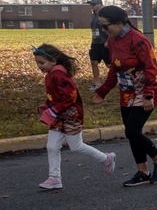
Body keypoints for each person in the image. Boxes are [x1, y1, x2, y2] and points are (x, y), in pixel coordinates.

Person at [93, 5, 157, 187]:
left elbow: (151, 68)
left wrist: (148, 95)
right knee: (133, 134)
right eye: (101, 26)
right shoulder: (113, 41)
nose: (104, 30)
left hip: (144, 92)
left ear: (120, 23)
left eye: (106, 26)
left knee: (132, 131)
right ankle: (143, 172)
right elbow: (114, 68)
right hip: (126, 93)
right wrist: (103, 91)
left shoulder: (138, 40)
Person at [33, 44, 116, 190]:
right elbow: (54, 96)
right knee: (52, 146)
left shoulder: (59, 75)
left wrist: (52, 111)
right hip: (59, 115)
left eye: (42, 62)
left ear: (53, 61)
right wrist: (47, 106)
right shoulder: (51, 75)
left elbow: (70, 97)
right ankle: (54, 178)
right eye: (38, 63)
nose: (40, 66)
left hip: (71, 115)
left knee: (76, 146)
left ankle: (106, 158)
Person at [86, 0, 111, 91]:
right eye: (91, 4)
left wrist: (108, 41)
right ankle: (97, 83)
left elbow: (110, 29)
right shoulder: (92, 16)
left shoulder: (105, 15)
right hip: (95, 43)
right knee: (94, 62)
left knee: (109, 65)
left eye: (94, 4)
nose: (92, 6)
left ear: (100, 5)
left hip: (105, 43)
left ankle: (119, 79)